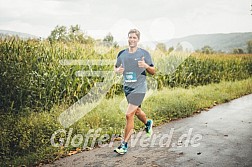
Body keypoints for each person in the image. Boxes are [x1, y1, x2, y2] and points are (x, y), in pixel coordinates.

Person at [114, 29, 155, 155]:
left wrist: (146, 66)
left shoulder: (144, 53)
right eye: (130, 37)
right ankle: (148, 122)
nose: (132, 40)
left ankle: (124, 145)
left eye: (134, 38)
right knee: (136, 111)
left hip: (140, 88)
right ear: (128, 38)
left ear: (138, 40)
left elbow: (153, 71)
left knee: (129, 114)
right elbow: (116, 67)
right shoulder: (122, 53)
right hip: (127, 87)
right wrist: (117, 70)